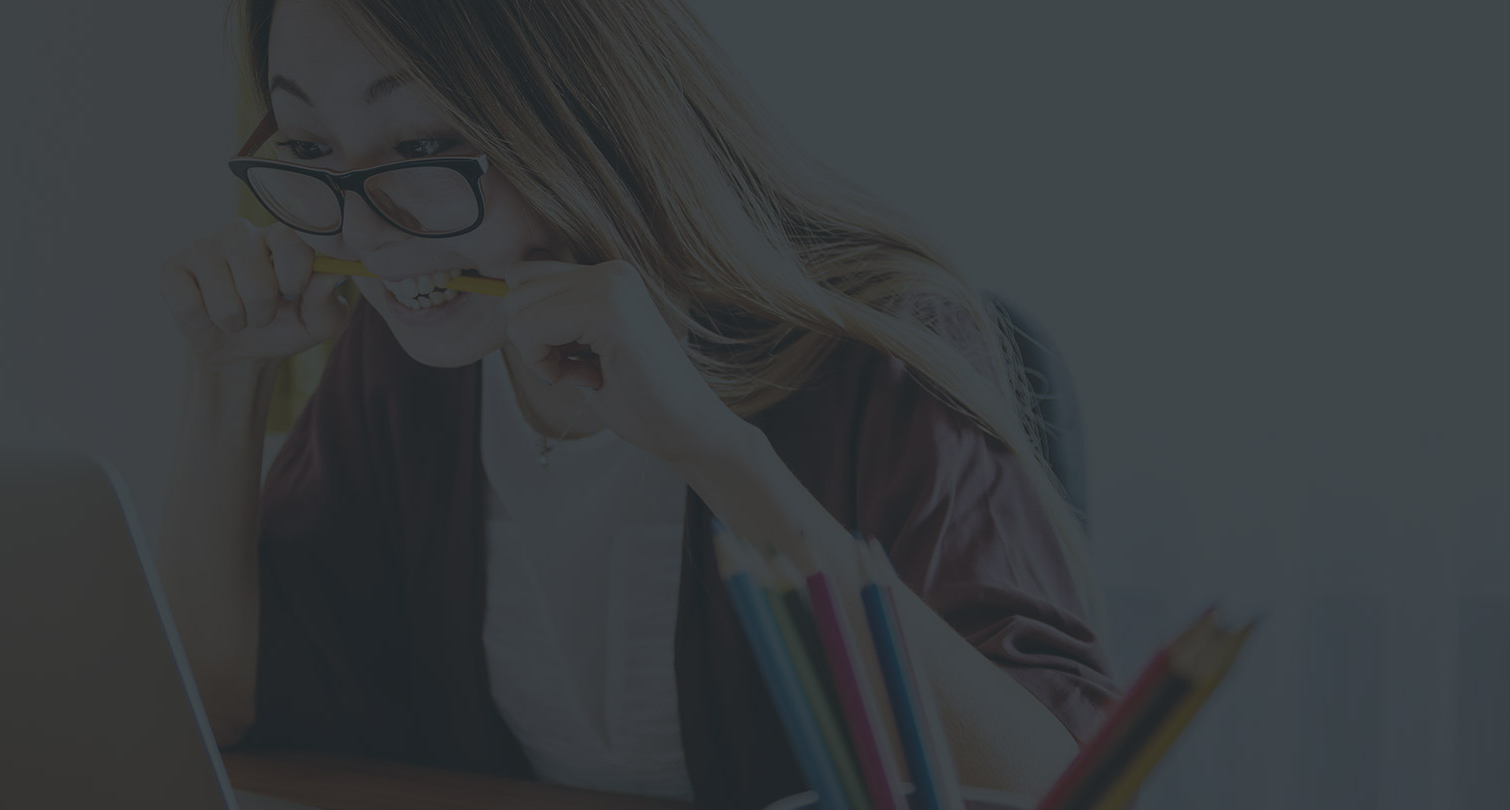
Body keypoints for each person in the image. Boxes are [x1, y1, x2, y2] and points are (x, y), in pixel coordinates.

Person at [155, 1, 1118, 806]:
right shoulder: (406, 361)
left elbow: (1050, 786)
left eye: (422, 143)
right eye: (314, 146)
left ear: (586, 118)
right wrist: (225, 381)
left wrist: (717, 454)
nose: (363, 231)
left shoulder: (874, 349)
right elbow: (212, 711)